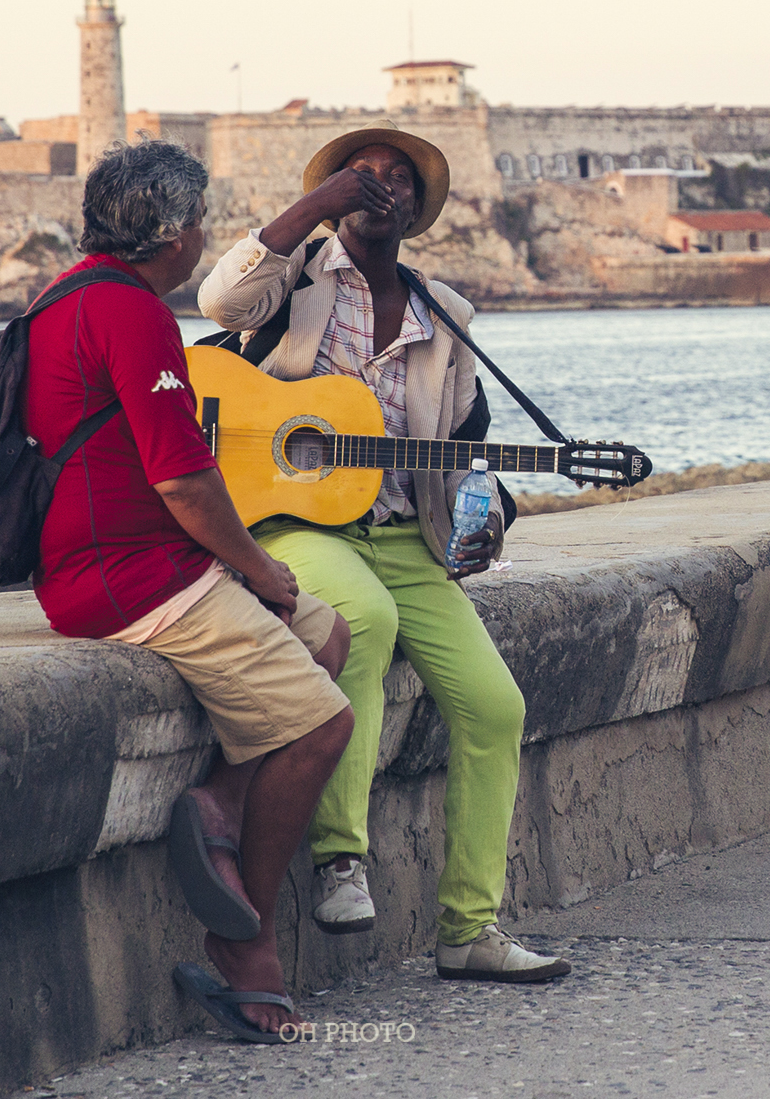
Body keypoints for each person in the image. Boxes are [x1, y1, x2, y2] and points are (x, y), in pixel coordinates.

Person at [197, 125, 570, 985]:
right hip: (295, 524)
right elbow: (219, 301)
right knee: (362, 615)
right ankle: (340, 859)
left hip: (406, 534)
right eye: (361, 174)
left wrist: (489, 512)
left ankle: (469, 927)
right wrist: (314, 210)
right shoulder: (295, 280)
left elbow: (469, 449)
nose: (379, 186)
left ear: (417, 208)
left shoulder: (447, 317)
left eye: (396, 179)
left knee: (496, 706)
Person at [24, 139, 355, 1042]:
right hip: (130, 578)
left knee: (327, 636)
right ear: (172, 234)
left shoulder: (63, 294)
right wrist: (260, 568)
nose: (205, 236)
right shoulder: (132, 316)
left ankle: (219, 802)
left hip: (128, 561)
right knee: (324, 722)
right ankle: (240, 941)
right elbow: (185, 482)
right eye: (201, 221)